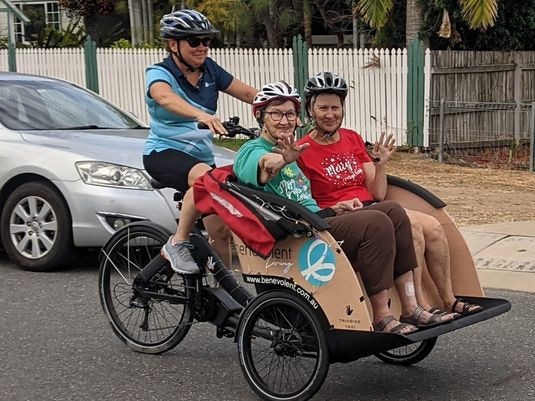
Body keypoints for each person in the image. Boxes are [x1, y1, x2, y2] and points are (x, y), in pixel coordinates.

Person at [233, 81, 453, 332]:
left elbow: (310, 200)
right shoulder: (251, 151)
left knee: (393, 211)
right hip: (299, 232)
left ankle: (411, 307)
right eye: (276, 114)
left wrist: (337, 208)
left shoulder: (294, 149)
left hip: (318, 219)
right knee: (376, 222)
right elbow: (266, 166)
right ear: (259, 115)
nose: (284, 121)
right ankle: (382, 315)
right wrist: (283, 159)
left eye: (290, 114)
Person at [297, 71, 483, 317]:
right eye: (323, 108)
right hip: (343, 215)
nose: (330, 114)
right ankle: (419, 306)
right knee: (413, 225)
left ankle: (448, 299)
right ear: (311, 110)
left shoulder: (352, 139)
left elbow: (378, 192)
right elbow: (304, 199)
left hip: (372, 206)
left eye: (336, 107)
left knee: (434, 226)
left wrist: (381, 164)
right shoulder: (302, 151)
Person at [142, 9, 257, 274]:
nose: (203, 47)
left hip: (201, 159)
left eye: (206, 41)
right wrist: (201, 115)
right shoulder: (160, 73)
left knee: (220, 228)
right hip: (164, 153)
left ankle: (223, 292)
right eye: (194, 41)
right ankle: (177, 242)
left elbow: (250, 93)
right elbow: (164, 98)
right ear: (174, 45)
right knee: (206, 180)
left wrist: (283, 108)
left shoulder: (210, 70)